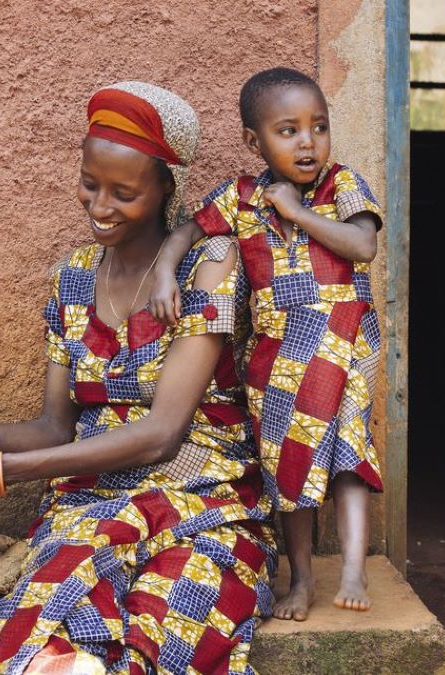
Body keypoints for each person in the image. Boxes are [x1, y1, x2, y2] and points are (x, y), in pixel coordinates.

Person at [0, 81, 276, 675]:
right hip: (89, 505)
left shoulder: (208, 266)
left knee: (170, 626)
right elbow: (57, 428)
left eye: (124, 193)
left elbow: (162, 435)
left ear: (166, 191)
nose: (101, 206)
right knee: (51, 634)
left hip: (202, 503)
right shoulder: (74, 278)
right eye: (90, 184)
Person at [145, 67, 383, 621]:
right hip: (277, 357)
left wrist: (298, 211)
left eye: (318, 127)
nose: (308, 142)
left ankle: (352, 567)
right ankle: (300, 578)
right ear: (254, 141)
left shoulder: (341, 185)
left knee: (348, 456)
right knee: (286, 467)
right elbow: (186, 230)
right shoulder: (239, 196)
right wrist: (163, 273)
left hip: (344, 343)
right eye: (289, 130)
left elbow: (363, 245)